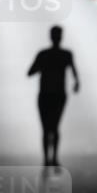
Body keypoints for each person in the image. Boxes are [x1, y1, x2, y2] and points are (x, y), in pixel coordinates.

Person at [27, 26, 79, 166]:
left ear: (50, 37)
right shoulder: (66, 54)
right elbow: (75, 75)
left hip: (45, 95)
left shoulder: (43, 54)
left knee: (45, 128)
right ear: (61, 37)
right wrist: (76, 84)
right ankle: (54, 157)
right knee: (55, 126)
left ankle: (46, 159)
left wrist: (42, 67)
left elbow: (30, 72)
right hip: (59, 96)